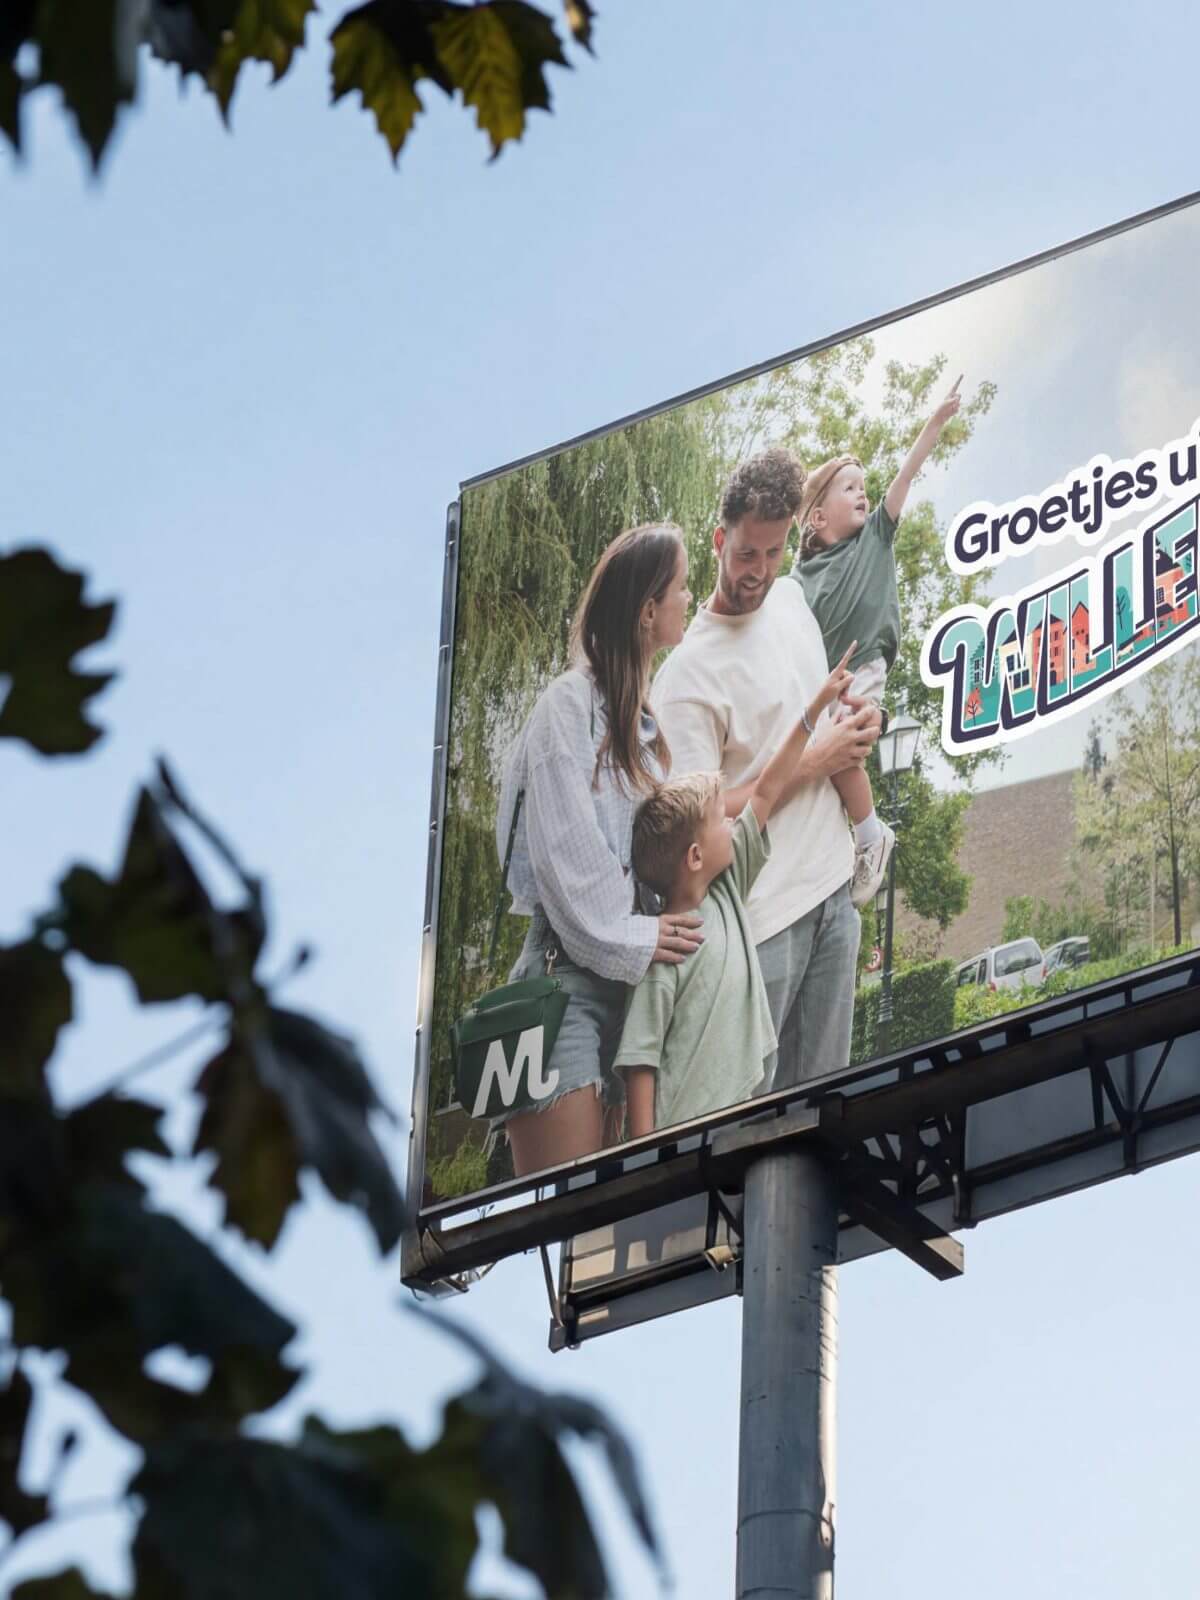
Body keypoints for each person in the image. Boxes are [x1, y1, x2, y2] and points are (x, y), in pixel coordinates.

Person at [651, 448, 880, 1091]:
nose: (759, 571)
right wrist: (813, 763)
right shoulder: (686, 678)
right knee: (762, 1131)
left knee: (830, 1110)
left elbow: (821, 711)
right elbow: (694, 826)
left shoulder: (792, 602)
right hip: (763, 926)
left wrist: (860, 720)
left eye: (774, 553)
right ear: (718, 540)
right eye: (746, 553)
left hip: (835, 896)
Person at [494, 522, 704, 1177]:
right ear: (647, 610)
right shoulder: (567, 708)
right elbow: (569, 865)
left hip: (630, 990)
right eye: (681, 587)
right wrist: (641, 932)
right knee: (575, 1215)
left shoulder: (644, 725)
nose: (690, 598)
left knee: (617, 1223)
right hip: (561, 987)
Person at [615, 645, 855, 1135]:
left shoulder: (726, 891)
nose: (732, 823)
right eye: (718, 821)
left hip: (738, 1119)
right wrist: (644, 1159)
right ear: (695, 857)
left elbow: (766, 789)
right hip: (683, 1140)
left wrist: (812, 712)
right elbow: (641, 1060)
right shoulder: (667, 953)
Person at [795, 377, 963, 904]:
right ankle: (847, 835)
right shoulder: (799, 578)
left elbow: (905, 475)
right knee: (822, 752)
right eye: (849, 488)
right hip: (824, 679)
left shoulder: (875, 535)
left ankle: (871, 834)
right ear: (817, 517)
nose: (862, 493)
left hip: (864, 664)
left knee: (843, 743)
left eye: (862, 487)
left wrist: (934, 422)